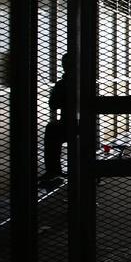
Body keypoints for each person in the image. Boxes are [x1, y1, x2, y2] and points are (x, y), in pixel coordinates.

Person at [42, 52, 74, 184]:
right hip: (84, 125)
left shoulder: (62, 84)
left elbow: (53, 105)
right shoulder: (85, 81)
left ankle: (53, 170)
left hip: (68, 125)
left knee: (51, 129)